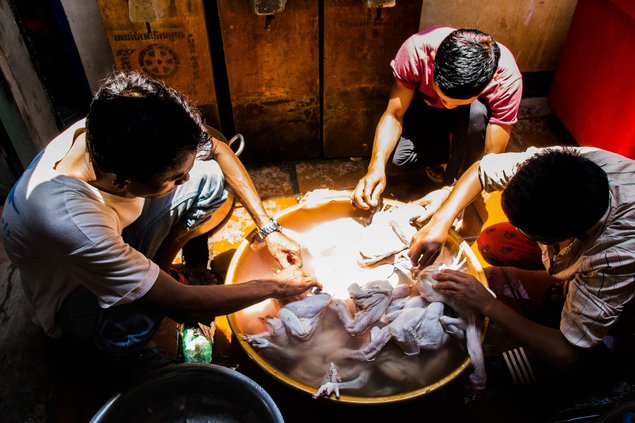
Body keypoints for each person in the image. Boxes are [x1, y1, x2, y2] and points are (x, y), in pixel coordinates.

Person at [0, 71, 320, 367]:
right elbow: (184, 305)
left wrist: (268, 228)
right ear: (124, 183)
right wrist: (274, 285)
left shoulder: (115, 127)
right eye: (174, 178)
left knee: (208, 178)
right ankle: (119, 351)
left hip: (106, 233)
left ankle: (159, 270)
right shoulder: (71, 219)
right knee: (141, 317)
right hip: (72, 292)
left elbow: (221, 151)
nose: (183, 181)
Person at [408, 146, 635, 385]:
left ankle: (608, 341)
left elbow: (567, 353)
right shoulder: (567, 167)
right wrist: (441, 220)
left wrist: (486, 302)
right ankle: (575, 291)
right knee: (493, 241)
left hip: (624, 279)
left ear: (563, 237)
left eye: (529, 233)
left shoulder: (614, 256)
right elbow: (481, 171)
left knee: (572, 357)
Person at [352, 26, 522, 210]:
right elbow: (394, 114)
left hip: (471, 123)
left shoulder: (506, 81)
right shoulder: (418, 50)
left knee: (476, 113)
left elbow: (491, 162)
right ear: (433, 59)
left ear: (490, 80)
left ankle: (455, 178)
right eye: (443, 97)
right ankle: (447, 154)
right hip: (427, 110)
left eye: (457, 101)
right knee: (393, 162)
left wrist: (452, 196)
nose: (448, 105)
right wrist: (375, 166)